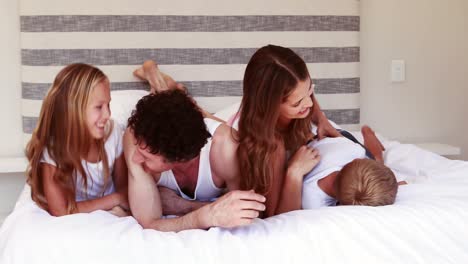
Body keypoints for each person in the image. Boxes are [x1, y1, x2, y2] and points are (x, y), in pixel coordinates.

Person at [124, 64, 266, 232]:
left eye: (146, 157)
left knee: (242, 139)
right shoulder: (135, 139)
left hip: (209, 138)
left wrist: (182, 206)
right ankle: (157, 78)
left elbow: (251, 212)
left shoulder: (226, 149)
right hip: (181, 132)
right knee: (168, 105)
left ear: (178, 159)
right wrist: (205, 212)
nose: (135, 159)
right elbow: (149, 223)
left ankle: (165, 83)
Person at [235, 44, 341, 216]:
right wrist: (295, 172)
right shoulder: (271, 146)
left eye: (310, 90)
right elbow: (279, 218)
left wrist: (321, 118)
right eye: (297, 103)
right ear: (270, 106)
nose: (309, 103)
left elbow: (304, 96)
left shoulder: (301, 99)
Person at [26, 63, 129, 217]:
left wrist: (119, 198)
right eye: (99, 107)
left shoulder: (113, 132)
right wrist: (114, 199)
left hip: (113, 211)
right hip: (101, 208)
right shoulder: (53, 149)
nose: (107, 114)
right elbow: (61, 211)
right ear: (73, 110)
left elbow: (125, 191)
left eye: (109, 104)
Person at [302, 126, 403, 209]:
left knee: (375, 164)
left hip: (340, 145)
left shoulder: (356, 152)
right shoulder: (312, 201)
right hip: (339, 137)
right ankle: (368, 133)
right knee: (377, 160)